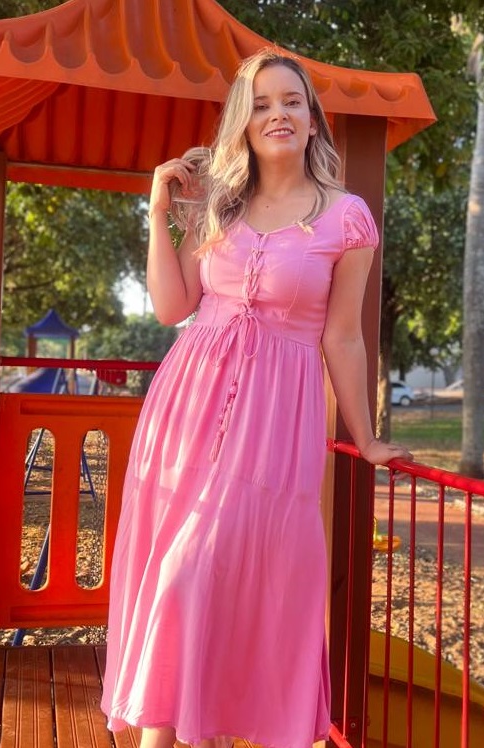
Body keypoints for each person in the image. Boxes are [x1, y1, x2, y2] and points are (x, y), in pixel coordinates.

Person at [100, 48, 412, 748]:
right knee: (182, 582)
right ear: (244, 121)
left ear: (312, 120)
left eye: (291, 101)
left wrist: (364, 437)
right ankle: (183, 731)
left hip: (276, 420)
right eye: (262, 103)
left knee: (192, 578)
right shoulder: (220, 205)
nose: (278, 114)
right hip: (186, 410)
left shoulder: (347, 218)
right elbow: (172, 306)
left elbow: (343, 338)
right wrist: (159, 213)